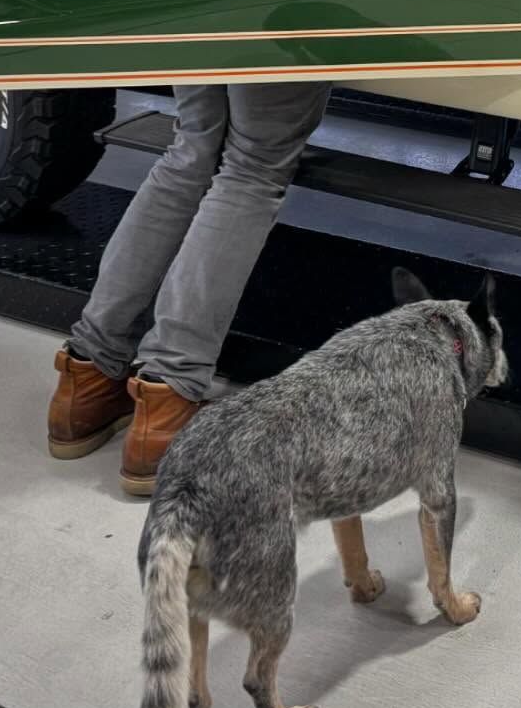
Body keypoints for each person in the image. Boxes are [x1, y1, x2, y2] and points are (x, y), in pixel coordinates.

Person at [47, 81, 332, 494]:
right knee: (254, 166)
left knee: (191, 148)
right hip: (272, 16)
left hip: (186, 15)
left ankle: (89, 375)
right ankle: (169, 395)